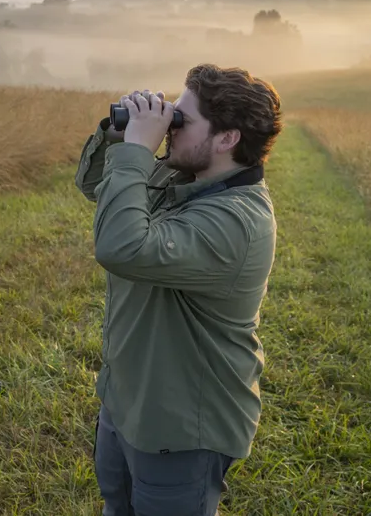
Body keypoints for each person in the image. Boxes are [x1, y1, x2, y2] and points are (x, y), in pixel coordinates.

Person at [75, 64, 283, 516]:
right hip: (128, 399)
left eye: (181, 120)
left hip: (181, 428)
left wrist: (137, 154)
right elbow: (95, 186)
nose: (169, 126)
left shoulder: (237, 221)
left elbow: (121, 246)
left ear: (227, 139)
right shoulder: (184, 178)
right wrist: (119, 138)